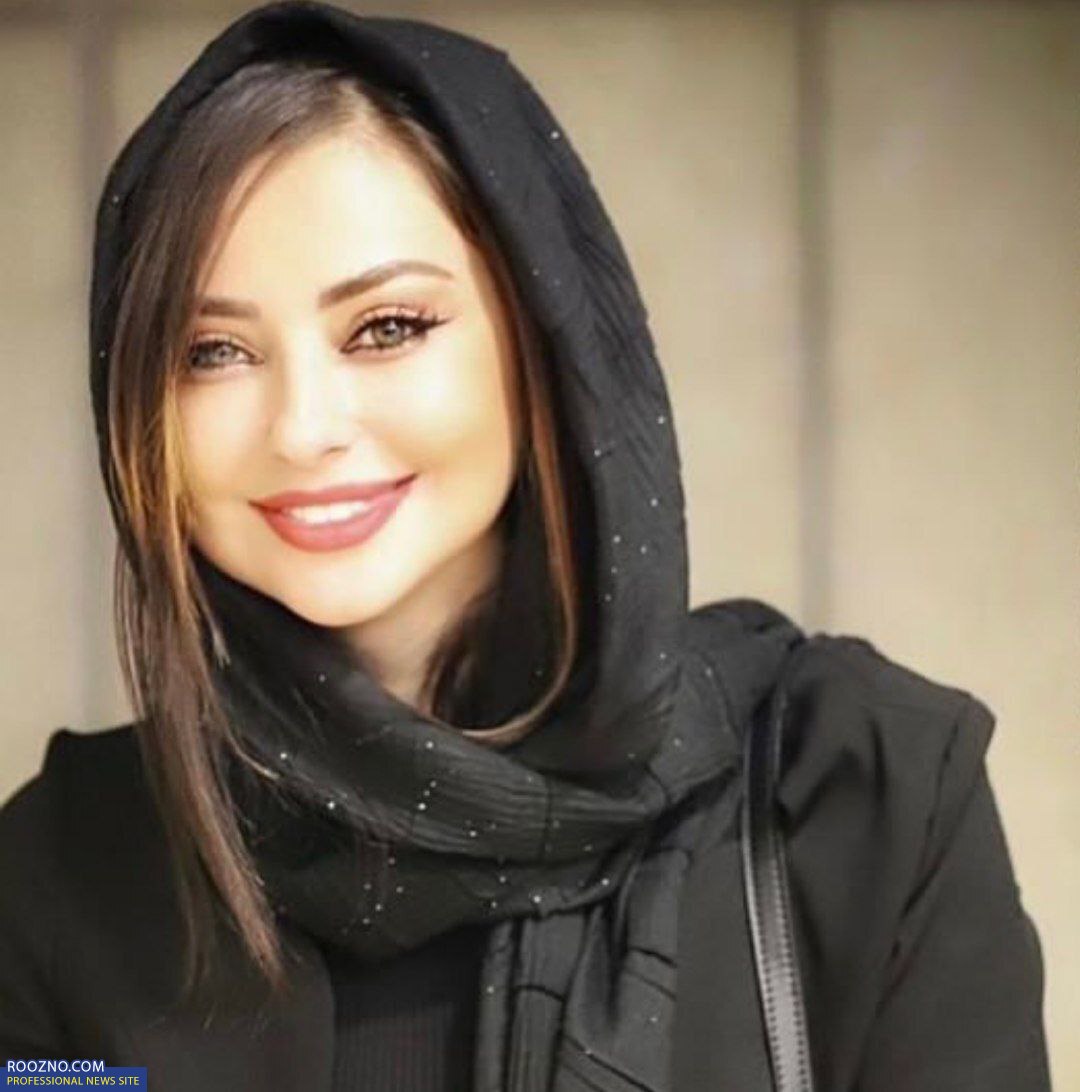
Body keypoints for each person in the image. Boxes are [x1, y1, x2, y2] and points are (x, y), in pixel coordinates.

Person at [0, 2, 1052, 1090]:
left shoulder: (858, 798)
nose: (303, 427)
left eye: (388, 328)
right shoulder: (64, 880)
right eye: (211, 351)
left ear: (542, 339)